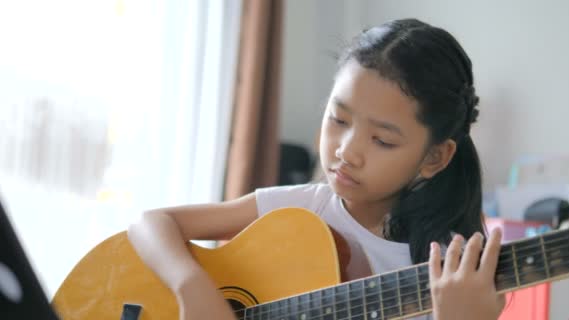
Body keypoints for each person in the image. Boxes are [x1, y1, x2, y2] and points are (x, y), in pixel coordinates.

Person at [128, 18, 505, 320]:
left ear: (434, 158)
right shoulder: (302, 210)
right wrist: (191, 286)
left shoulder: (446, 272)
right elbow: (149, 222)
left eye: (382, 141)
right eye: (338, 119)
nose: (347, 152)